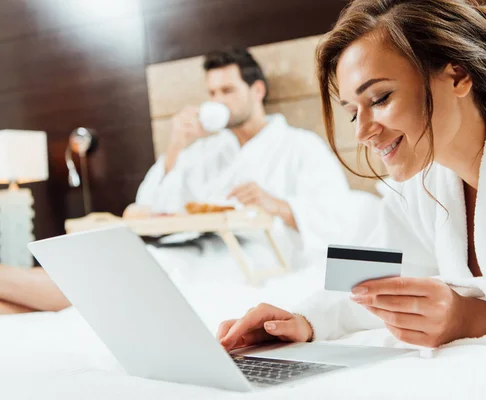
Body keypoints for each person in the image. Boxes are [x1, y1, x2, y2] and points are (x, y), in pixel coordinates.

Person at [217, 0, 486, 350]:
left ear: (458, 74)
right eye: (353, 111)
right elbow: (367, 277)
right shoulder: (417, 171)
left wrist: (472, 316)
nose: (362, 132)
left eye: (380, 99)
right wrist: (300, 318)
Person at [0, 49, 365, 314]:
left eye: (227, 91)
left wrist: (278, 205)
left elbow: (341, 220)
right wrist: (177, 144)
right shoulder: (208, 150)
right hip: (195, 245)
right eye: (211, 93)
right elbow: (150, 206)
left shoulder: (301, 146)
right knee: (129, 264)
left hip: (252, 258)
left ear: (257, 91)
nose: (217, 100)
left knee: (127, 275)